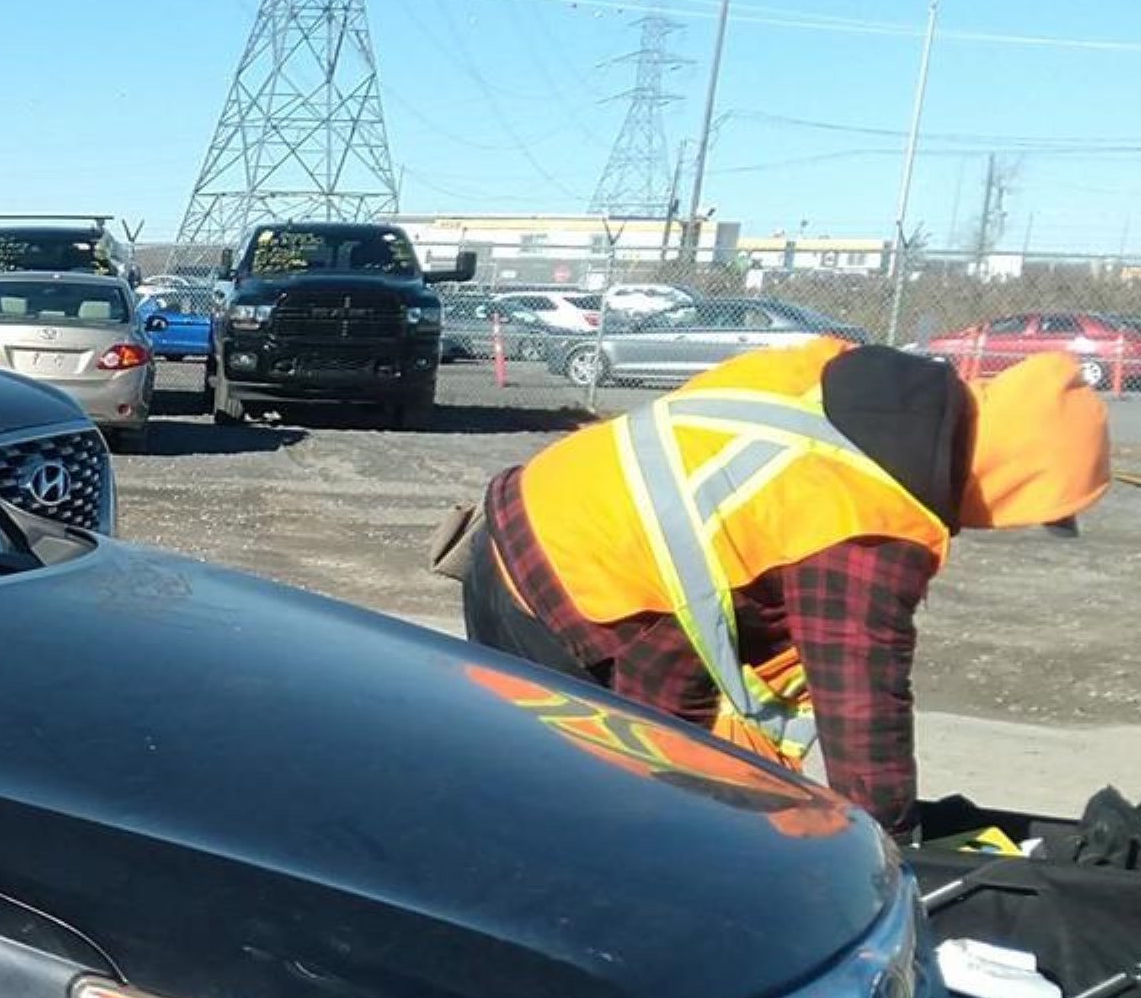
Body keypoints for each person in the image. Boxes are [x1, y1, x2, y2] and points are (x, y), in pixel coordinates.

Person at [457, 338, 1108, 834]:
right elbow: (862, 712)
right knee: (578, 825)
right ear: (1012, 478)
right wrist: (894, 848)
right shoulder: (869, 519)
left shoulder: (847, 378)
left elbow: (713, 582)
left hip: (528, 521)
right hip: (562, 597)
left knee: (625, 802)